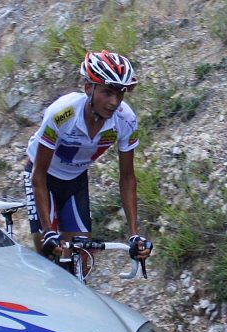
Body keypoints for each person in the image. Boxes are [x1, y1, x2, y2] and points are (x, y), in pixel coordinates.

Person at [23, 50, 151, 262]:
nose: (114, 102)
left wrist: (134, 234)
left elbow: (127, 178)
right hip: (43, 178)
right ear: (88, 88)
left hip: (75, 180)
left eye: (120, 94)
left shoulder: (125, 120)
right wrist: (47, 232)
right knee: (48, 252)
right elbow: (39, 175)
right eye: (108, 93)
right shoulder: (62, 114)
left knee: (82, 257)